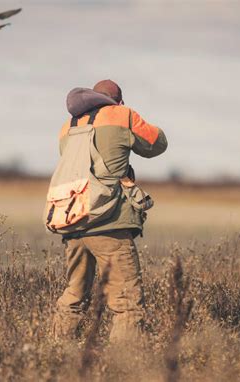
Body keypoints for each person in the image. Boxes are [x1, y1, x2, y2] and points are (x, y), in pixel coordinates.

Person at [50, 79, 168, 342]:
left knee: (74, 296)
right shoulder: (122, 115)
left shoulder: (67, 126)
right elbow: (157, 143)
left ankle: (54, 351)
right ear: (119, 100)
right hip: (109, 224)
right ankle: (120, 367)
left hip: (73, 223)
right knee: (126, 304)